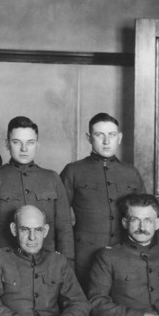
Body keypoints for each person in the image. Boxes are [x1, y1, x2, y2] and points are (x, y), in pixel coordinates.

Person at [60, 113, 145, 285]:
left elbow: (145, 216)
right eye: (100, 135)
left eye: (112, 135)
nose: (107, 141)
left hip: (124, 258)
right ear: (89, 138)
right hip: (83, 257)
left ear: (119, 138)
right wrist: (67, 258)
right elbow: (60, 219)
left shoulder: (131, 174)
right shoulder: (73, 171)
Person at [0, 116, 74, 260]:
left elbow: (64, 229)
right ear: (7, 144)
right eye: (17, 142)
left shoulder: (52, 178)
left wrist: (67, 266)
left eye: (30, 142)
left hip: (46, 265)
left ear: (37, 145)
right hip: (5, 264)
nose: (24, 149)